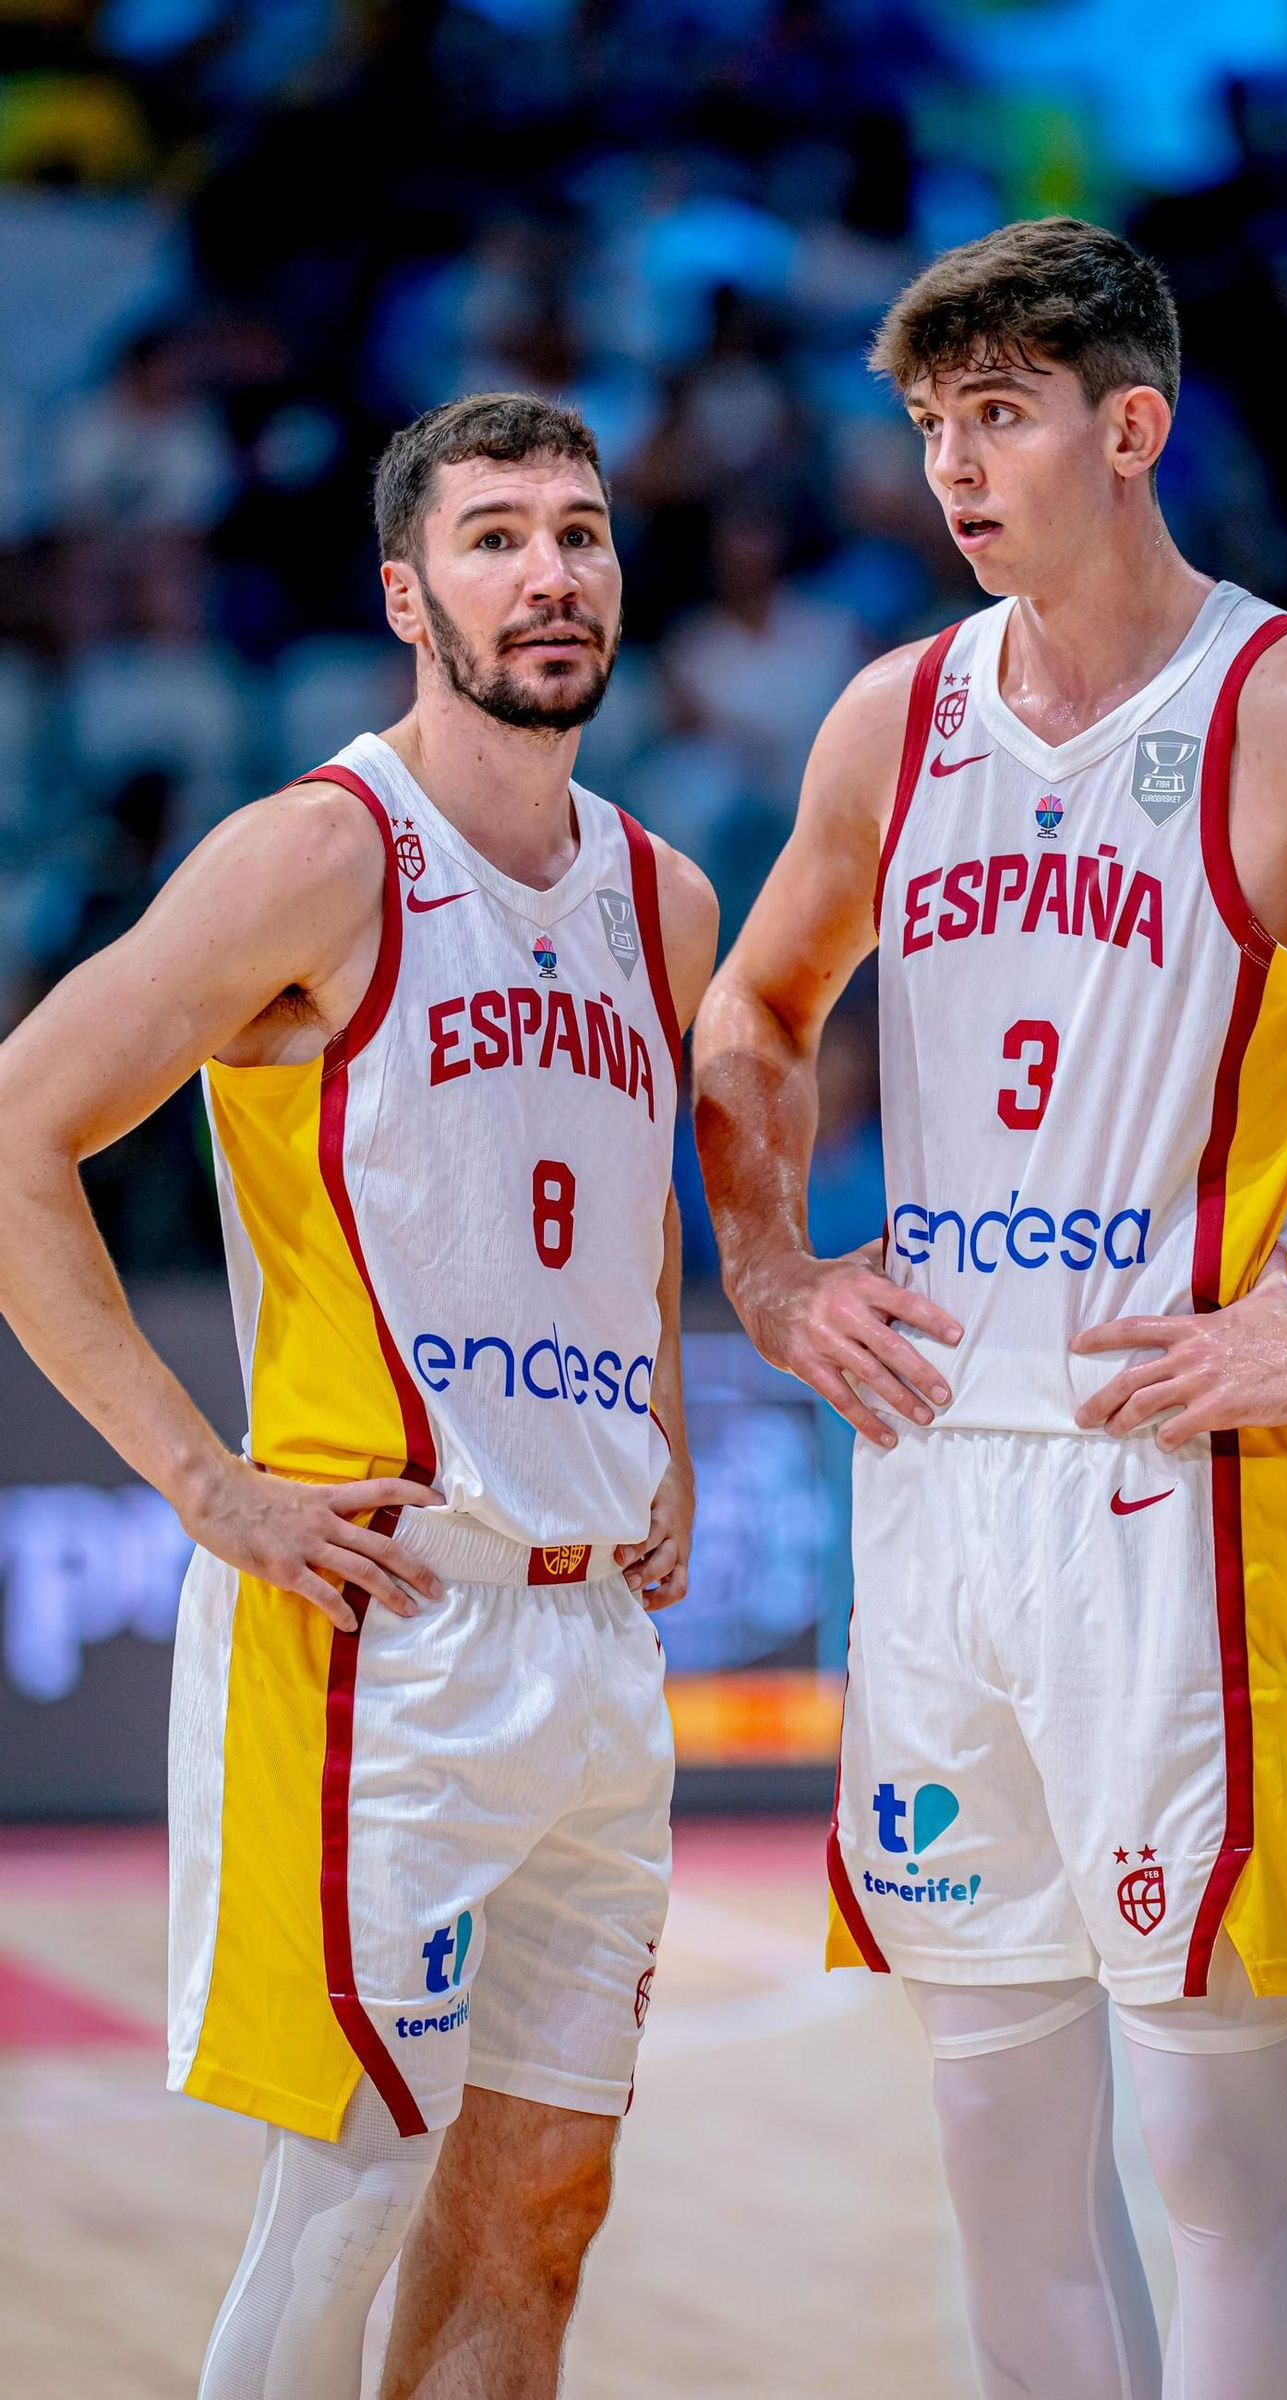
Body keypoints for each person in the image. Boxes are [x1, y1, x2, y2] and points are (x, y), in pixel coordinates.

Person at [692, 216, 1287, 2400]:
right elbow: (748, 1010)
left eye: (993, 416)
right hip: (935, 1482)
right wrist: (765, 1267)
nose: (950, 469)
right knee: (994, 2133)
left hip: (1176, 1483)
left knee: (1204, 2130)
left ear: (1129, 427)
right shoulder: (888, 717)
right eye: (925, 427)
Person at [0, 390, 717, 2399]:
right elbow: (19, 1134)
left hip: (591, 1640)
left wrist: (651, 1412)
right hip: (380, 1639)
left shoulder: (663, 897)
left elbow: (629, 1200)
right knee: (334, 2217)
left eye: (578, 531)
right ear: (405, 593)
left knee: (539, 2227)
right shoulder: (319, 851)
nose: (550, 571)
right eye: (494, 536)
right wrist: (202, 1484)